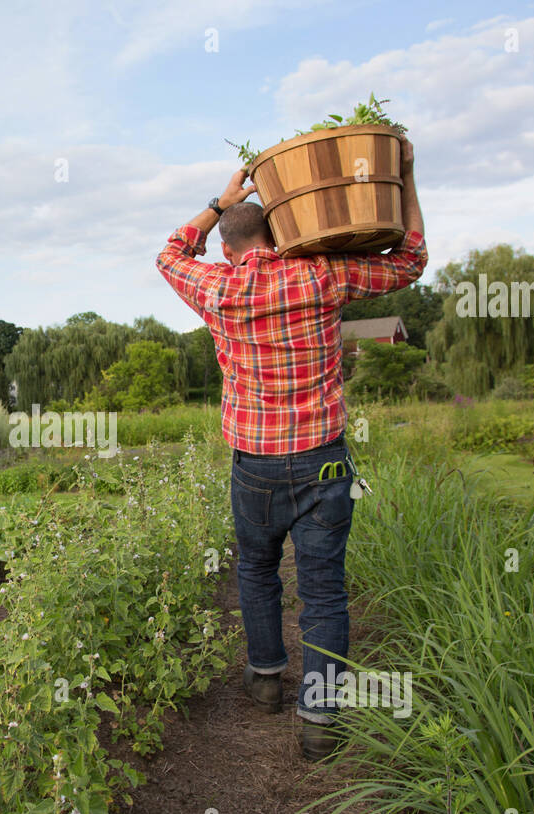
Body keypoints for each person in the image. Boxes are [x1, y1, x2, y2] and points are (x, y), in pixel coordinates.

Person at [154, 140, 426, 760]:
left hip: (254, 464)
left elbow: (169, 253)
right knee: (324, 587)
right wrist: (405, 176)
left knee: (256, 568)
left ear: (228, 247)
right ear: (281, 234)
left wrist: (219, 202)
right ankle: (321, 718)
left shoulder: (217, 288)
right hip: (324, 458)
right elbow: (410, 260)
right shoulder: (322, 274)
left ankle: (266, 677)